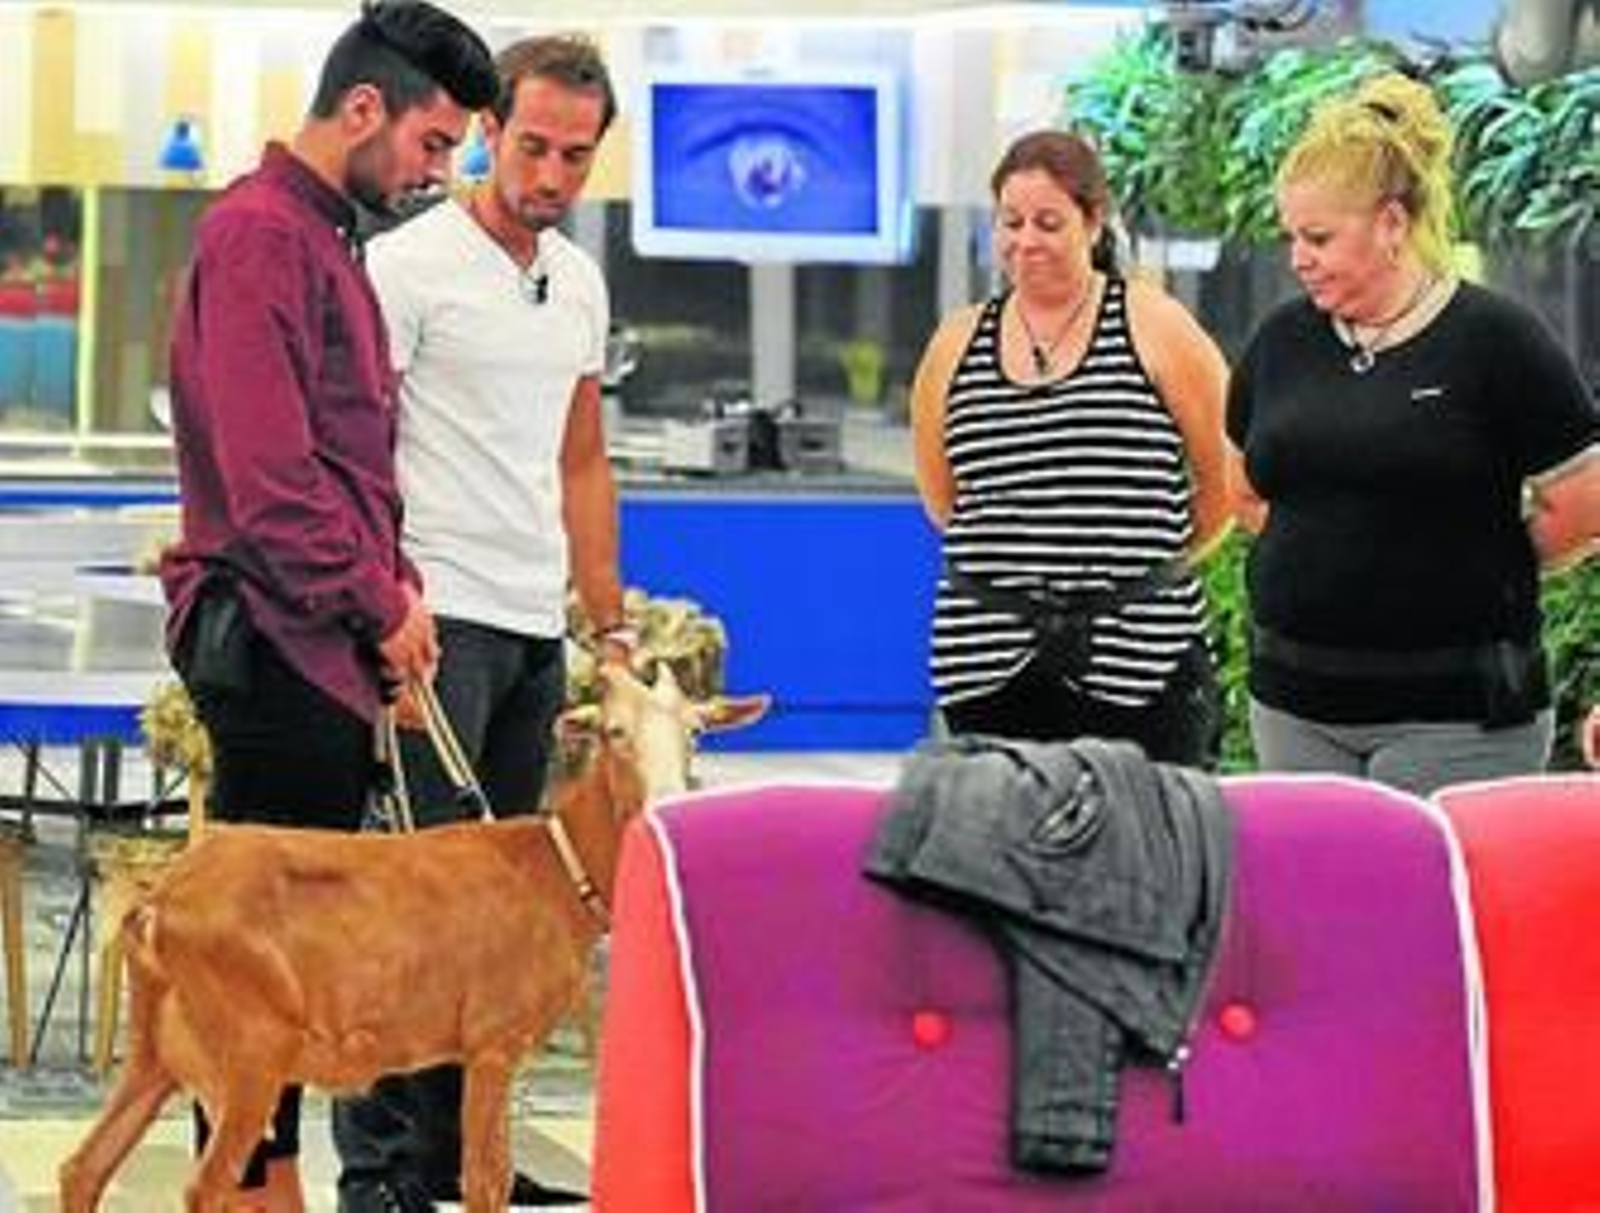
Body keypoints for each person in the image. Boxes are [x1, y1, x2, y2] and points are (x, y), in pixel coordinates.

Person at [158, 3, 496, 1210]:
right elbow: (272, 484)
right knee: (255, 976)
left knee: (294, 968)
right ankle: (247, 1192)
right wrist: (378, 604)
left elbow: (344, 470)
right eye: (433, 142)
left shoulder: (326, 240)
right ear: (363, 109)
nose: (437, 172)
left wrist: (393, 604)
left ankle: (273, 1187)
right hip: (276, 639)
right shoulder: (261, 237)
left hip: (325, 642)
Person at [332, 34, 625, 1209]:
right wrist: (385, 595)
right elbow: (356, 448)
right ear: (489, 130)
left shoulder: (580, 282)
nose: (551, 175)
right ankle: (379, 1171)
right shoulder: (407, 265)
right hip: (430, 621)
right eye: (533, 145)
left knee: (496, 923)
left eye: (576, 156)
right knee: (406, 909)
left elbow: (582, 462)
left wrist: (608, 627)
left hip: (530, 630)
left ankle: (468, 1158)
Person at [1226, 71, 1600, 796]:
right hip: (1293, 705)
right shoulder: (1281, 341)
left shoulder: (1497, 339)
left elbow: (1582, 503)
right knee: (1320, 874)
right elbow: (1243, 487)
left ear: (1393, 224)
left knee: (1432, 874)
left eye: (1318, 238)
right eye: (1291, 237)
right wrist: (1337, 552)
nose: (1298, 257)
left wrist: (1472, 562)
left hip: (1458, 718)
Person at [910, 128, 1233, 766]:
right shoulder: (955, 343)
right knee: (996, 827)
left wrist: (1140, 562)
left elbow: (1225, 478)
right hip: (988, 661)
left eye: (1049, 222)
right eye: (1011, 222)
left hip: (1141, 656)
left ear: (1093, 221)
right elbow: (945, 500)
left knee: (1144, 825)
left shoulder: (1155, 323)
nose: (1026, 240)